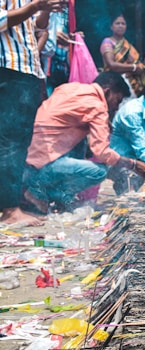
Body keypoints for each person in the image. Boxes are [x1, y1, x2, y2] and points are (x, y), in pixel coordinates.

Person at [22, 72, 145, 213]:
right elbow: (102, 153)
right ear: (107, 92)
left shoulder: (70, 88)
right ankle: (42, 194)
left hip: (25, 162)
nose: (116, 107)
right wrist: (133, 164)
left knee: (82, 142)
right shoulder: (97, 106)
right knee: (100, 172)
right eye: (118, 100)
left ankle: (50, 195)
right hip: (41, 166)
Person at [0, 0, 68, 226]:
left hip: (26, 69)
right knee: (10, 142)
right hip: (8, 68)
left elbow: (37, 29)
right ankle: (10, 210)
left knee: (18, 142)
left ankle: (11, 206)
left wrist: (45, 10)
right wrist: (36, 6)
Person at [100, 13, 145, 98]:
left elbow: (141, 66)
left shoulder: (128, 46)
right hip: (112, 84)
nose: (120, 26)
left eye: (123, 24)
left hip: (130, 84)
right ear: (111, 27)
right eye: (117, 23)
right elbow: (112, 65)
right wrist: (133, 67)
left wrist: (135, 67)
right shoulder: (107, 42)